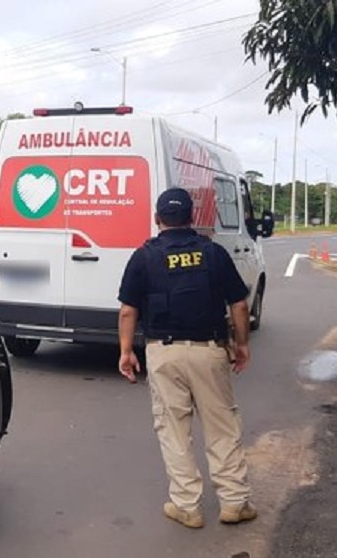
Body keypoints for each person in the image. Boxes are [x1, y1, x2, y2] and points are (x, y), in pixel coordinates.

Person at [116, 187, 257, 529]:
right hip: (209, 351)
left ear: (157, 218)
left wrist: (125, 352)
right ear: (192, 218)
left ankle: (187, 506)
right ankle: (234, 503)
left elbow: (127, 310)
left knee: (174, 431)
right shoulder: (213, 253)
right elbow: (239, 304)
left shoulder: (144, 256)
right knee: (222, 427)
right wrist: (241, 344)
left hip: (163, 353)